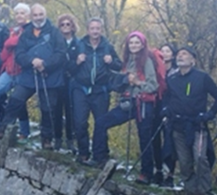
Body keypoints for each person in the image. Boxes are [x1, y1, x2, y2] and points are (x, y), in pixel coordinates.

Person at [88, 31, 159, 184]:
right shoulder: (127, 61)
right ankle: (98, 157)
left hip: (143, 104)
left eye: (136, 43)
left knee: (144, 137)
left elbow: (153, 86)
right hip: (129, 102)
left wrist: (137, 83)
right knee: (101, 123)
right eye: (131, 43)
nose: (133, 45)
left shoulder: (146, 61)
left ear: (142, 44)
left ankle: (147, 173)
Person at [0, 4, 66, 149]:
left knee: (47, 108)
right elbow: (19, 54)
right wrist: (32, 61)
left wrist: (45, 64)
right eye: (35, 15)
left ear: (45, 15)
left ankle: (46, 139)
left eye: (41, 15)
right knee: (15, 100)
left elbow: (61, 54)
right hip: (29, 75)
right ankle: (4, 129)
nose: (38, 18)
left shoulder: (55, 32)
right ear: (31, 17)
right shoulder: (26, 34)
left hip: (49, 76)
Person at [162, 46, 217, 195]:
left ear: (193, 60)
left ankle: (205, 190)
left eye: (185, 54)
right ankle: (189, 190)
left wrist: (209, 114)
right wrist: (166, 110)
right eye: (178, 54)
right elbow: (167, 98)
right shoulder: (171, 79)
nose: (180, 56)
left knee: (201, 157)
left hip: (197, 125)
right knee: (184, 161)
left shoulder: (202, 77)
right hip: (177, 124)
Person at [69, 17, 122, 164]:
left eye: (98, 28)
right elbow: (69, 68)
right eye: (92, 28)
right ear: (88, 30)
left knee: (101, 123)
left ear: (101, 30)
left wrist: (111, 62)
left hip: (100, 90)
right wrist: (77, 62)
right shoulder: (79, 45)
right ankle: (83, 153)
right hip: (81, 88)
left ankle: (100, 155)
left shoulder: (107, 46)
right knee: (79, 123)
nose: (95, 31)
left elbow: (119, 66)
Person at [0, 3, 31, 139]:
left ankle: (24, 132)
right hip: (10, 70)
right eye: (17, 13)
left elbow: (21, 42)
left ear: (27, 15)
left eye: (22, 13)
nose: (19, 16)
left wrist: (10, 43)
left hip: (24, 72)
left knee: (18, 101)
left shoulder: (31, 30)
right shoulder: (12, 30)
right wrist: (8, 45)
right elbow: (4, 54)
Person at [152, 43, 179, 184]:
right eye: (162, 51)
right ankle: (157, 170)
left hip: (171, 109)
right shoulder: (155, 70)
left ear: (173, 55)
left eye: (168, 51)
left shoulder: (177, 72)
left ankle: (169, 173)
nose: (164, 53)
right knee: (155, 139)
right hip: (155, 106)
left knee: (170, 140)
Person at [53, 14, 79, 152]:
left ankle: (70, 140)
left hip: (72, 81)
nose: (65, 27)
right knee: (56, 110)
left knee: (71, 111)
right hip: (57, 80)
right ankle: (57, 138)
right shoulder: (56, 41)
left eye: (68, 24)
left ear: (73, 26)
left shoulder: (78, 43)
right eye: (62, 24)